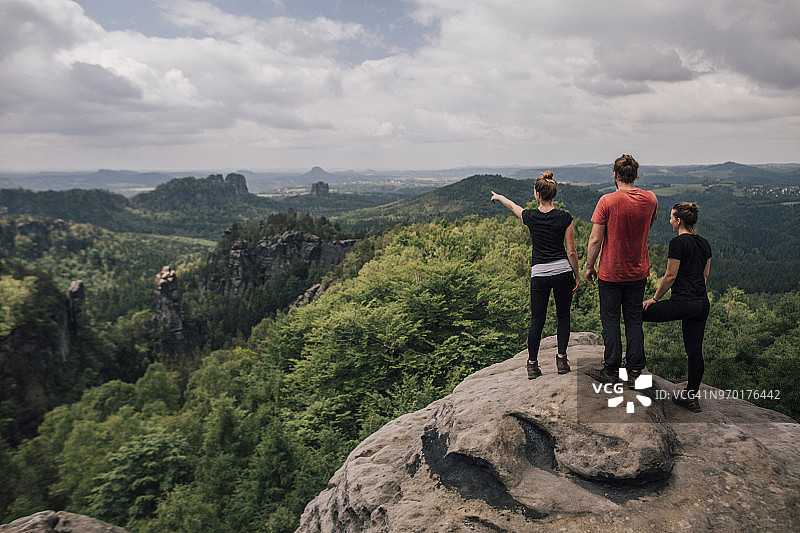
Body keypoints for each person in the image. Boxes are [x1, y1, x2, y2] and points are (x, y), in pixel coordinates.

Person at [491, 172, 580, 379]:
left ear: (537, 194)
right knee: (563, 316)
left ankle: (532, 365)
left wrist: (499, 197)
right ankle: (561, 360)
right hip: (562, 272)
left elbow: (513, 206)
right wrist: (576, 275)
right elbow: (571, 252)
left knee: (537, 320)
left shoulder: (531, 216)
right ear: (553, 194)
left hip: (539, 273)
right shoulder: (565, 218)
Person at [585, 154, 657, 388]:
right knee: (634, 319)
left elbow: (595, 239)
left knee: (611, 321)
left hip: (610, 272)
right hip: (638, 271)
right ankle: (635, 370)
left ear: (614, 175)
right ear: (636, 175)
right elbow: (647, 226)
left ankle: (611, 369)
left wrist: (589, 267)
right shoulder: (651, 199)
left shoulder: (607, 201)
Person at [642, 203, 711, 412]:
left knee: (637, 313)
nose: (669, 220)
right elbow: (705, 276)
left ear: (679, 220)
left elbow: (670, 276)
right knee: (694, 351)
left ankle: (633, 363)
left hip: (683, 302)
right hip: (701, 303)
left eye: (671, 217)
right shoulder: (705, 244)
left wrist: (654, 298)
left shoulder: (677, 243)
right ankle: (691, 397)